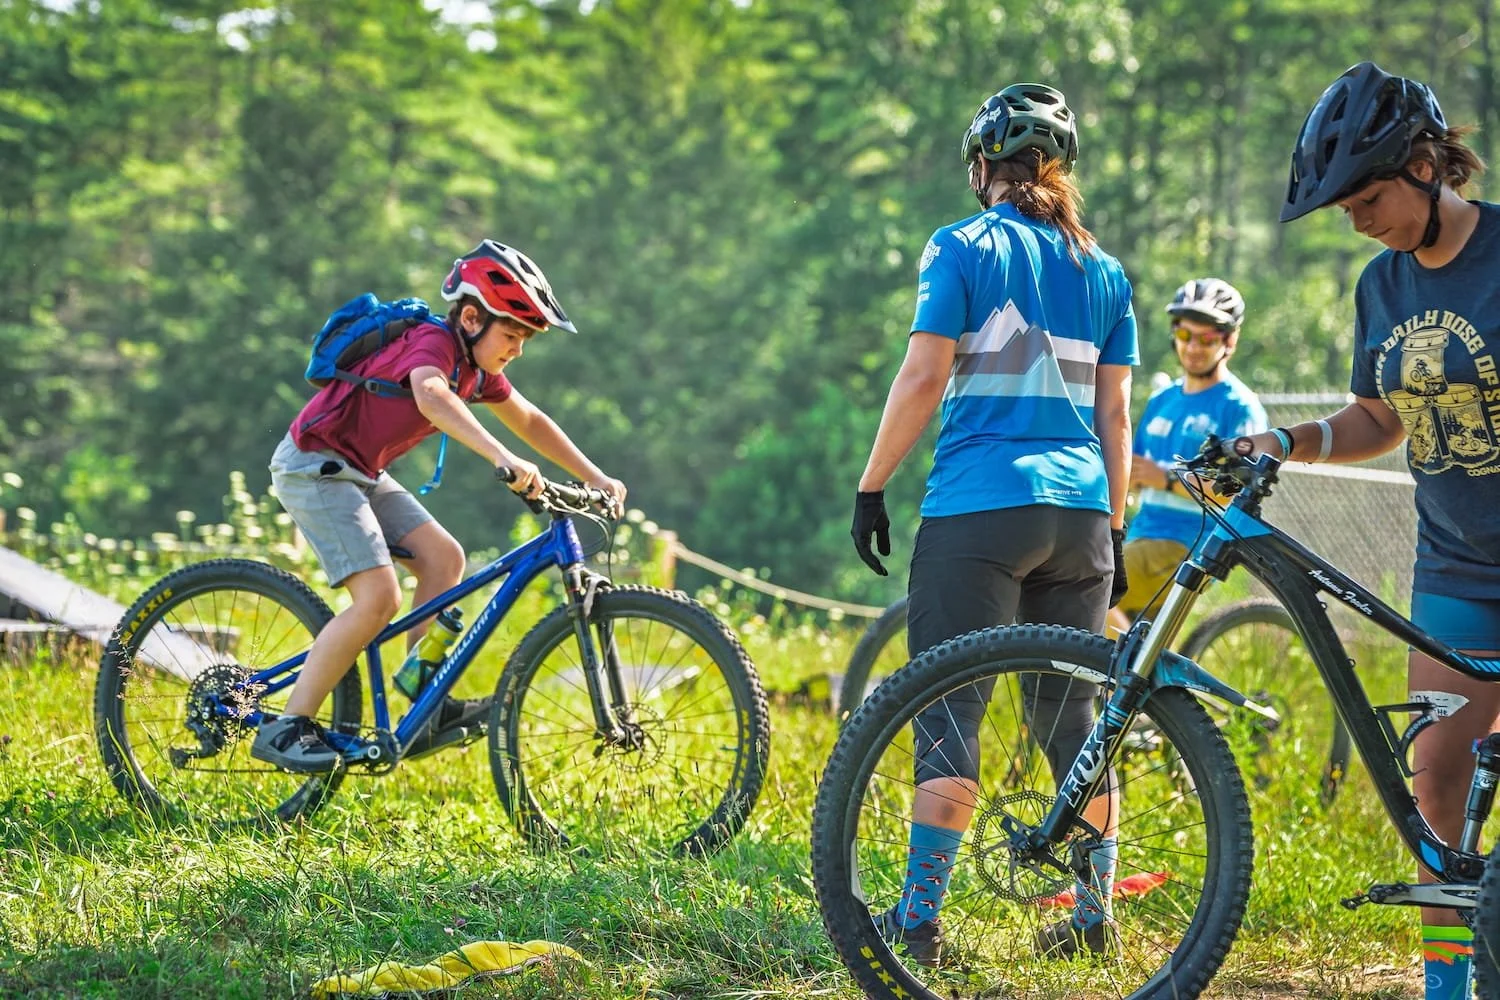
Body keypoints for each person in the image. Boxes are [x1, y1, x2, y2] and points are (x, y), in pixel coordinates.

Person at [850, 82, 1137, 964]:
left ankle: (920, 923)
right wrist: (1115, 531)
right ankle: (1094, 918)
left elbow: (922, 379)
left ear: (984, 169)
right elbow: (1116, 414)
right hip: (1082, 510)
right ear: (1057, 171)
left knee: (947, 714)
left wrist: (872, 486)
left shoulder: (960, 245)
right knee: (1072, 721)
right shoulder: (1105, 270)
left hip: (980, 506)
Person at [1249, 61, 1496, 1000]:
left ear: (1430, 164)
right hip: (1455, 573)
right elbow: (1377, 419)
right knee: (1434, 799)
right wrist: (1288, 439)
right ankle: (1446, 992)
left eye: (1366, 196)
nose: (1354, 217)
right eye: (1341, 205)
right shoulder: (1380, 287)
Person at [252, 240, 627, 773]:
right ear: (471, 318)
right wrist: (502, 458)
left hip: (357, 473)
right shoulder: (432, 343)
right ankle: (288, 727)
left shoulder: (476, 371)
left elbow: (529, 419)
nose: (517, 349)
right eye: (512, 335)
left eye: (525, 339)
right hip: (314, 466)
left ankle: (421, 702)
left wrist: (594, 475)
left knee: (444, 558)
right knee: (379, 596)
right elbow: (430, 394)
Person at [1105, 278, 1268, 634]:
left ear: (1230, 341)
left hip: (1189, 544)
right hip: (1140, 538)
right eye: (1185, 336)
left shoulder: (1238, 407)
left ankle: (1121, 660)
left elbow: (1238, 492)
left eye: (1207, 339)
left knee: (1084, 585)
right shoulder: (1162, 400)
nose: (1193, 347)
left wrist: (1163, 478)